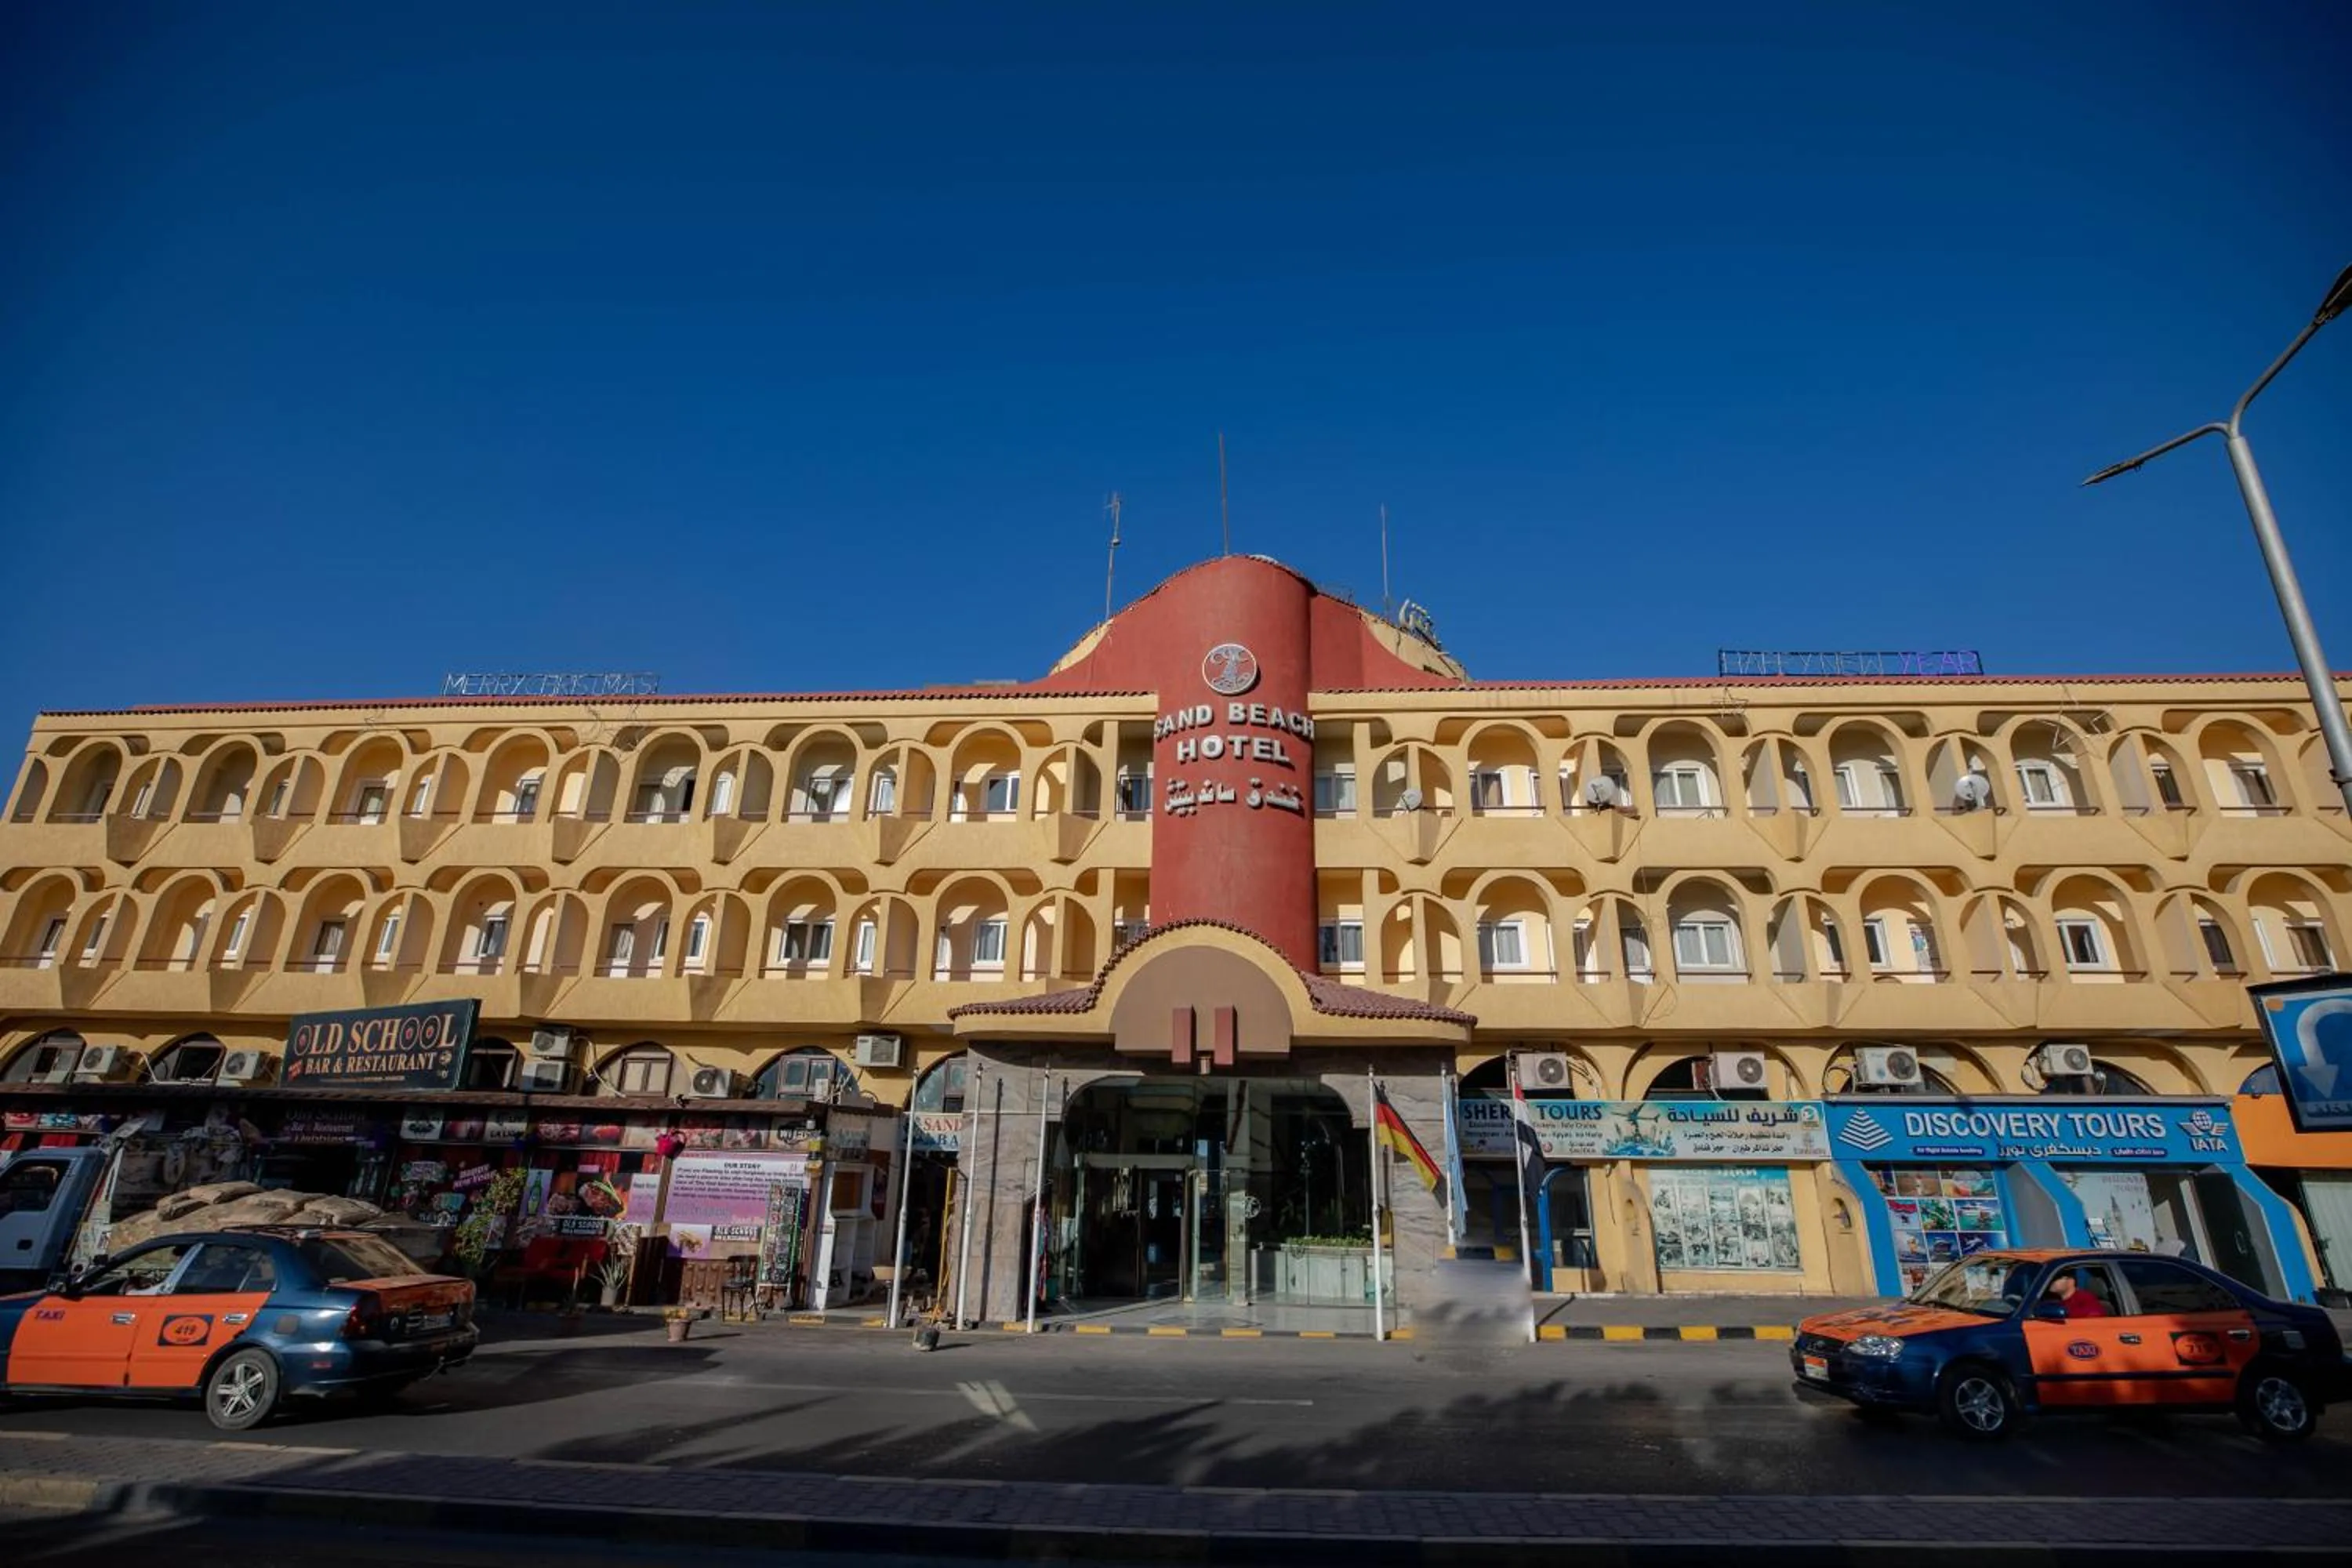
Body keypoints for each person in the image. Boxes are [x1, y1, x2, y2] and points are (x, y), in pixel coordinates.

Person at [2045, 1269, 2109, 1319]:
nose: (2050, 1280)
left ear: (2071, 1281)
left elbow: (2094, 1321)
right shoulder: (2049, 1299)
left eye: (2056, 1277)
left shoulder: (2085, 1299)